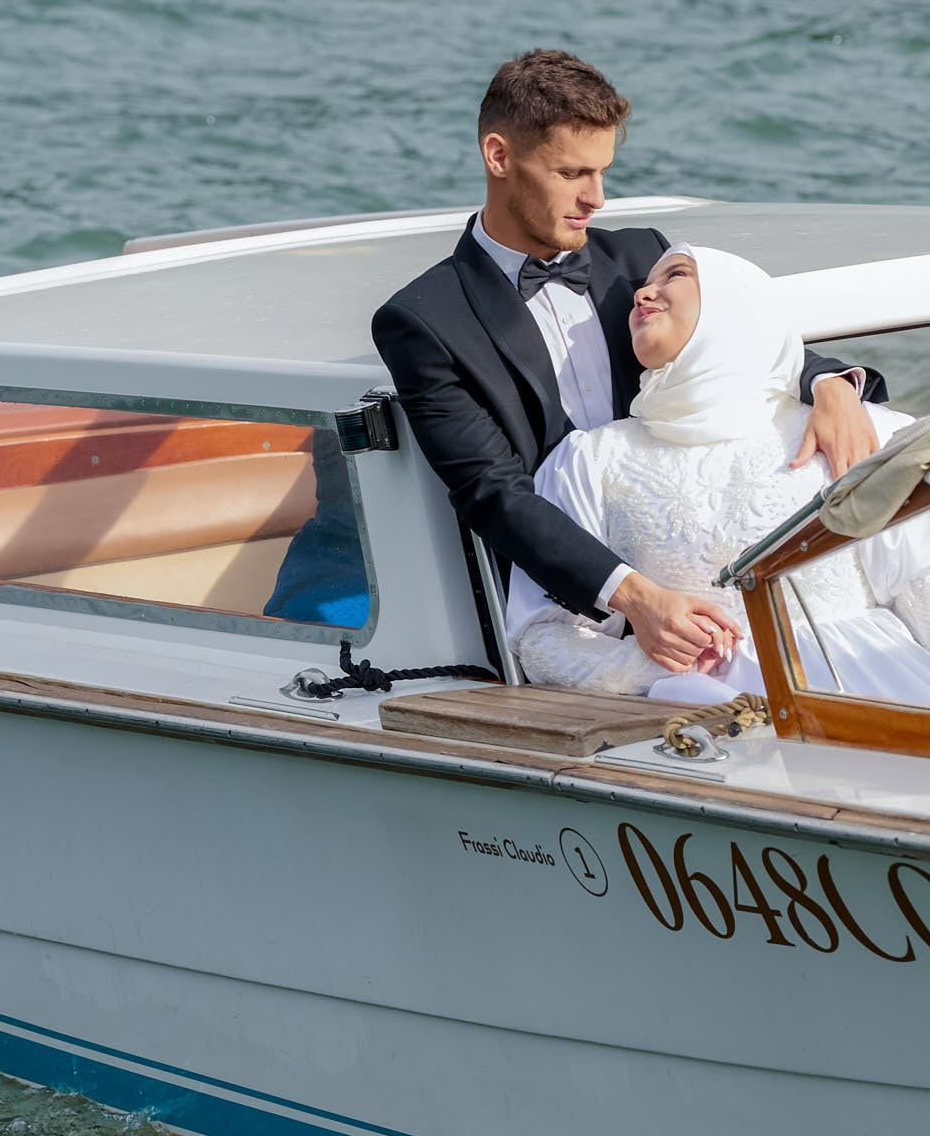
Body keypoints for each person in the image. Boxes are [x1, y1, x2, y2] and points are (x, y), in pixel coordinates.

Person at [372, 50, 885, 675]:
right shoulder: (424, 320)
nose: (597, 199)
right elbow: (491, 493)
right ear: (499, 156)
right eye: (572, 173)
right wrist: (637, 600)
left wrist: (829, 383)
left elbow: (745, 342)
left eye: (604, 171)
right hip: (563, 613)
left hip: (712, 584)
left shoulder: (642, 256)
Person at [504, 245, 930, 715]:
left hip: (872, 688)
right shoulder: (590, 460)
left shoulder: (844, 428)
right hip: (702, 722)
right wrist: (663, 666)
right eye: (647, 282)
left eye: (677, 277)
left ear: (735, 307)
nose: (646, 292)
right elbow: (543, 641)